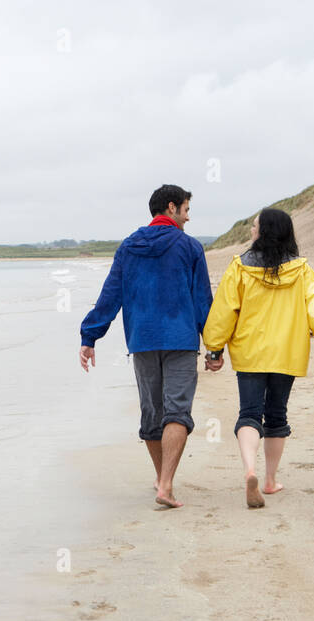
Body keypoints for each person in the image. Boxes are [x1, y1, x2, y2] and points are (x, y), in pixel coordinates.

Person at [202, 208, 314, 508]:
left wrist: (214, 350)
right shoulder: (302, 271)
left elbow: (224, 311)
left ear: (265, 231)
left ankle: (250, 470)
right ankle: (270, 481)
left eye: (254, 226)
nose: (251, 230)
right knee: (276, 415)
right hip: (287, 352)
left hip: (250, 352)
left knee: (249, 414)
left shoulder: (240, 267)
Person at [79, 184, 213, 508]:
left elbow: (111, 295)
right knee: (177, 411)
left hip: (142, 340)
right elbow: (203, 302)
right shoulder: (190, 248)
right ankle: (165, 483)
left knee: (153, 414)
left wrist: (89, 336)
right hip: (180, 340)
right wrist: (215, 345)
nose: (188, 217)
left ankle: (161, 479)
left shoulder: (129, 247)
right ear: (171, 207)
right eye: (186, 209)